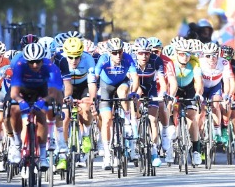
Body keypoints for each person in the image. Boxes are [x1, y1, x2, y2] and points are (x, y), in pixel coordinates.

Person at [88, 37, 138, 170]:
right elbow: (95, 78)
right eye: (114, 52)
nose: (118, 55)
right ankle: (107, 154)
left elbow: (135, 78)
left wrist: (133, 92)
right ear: (109, 52)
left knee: (123, 93)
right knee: (106, 120)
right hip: (106, 87)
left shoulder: (127, 58)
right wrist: (93, 97)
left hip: (122, 84)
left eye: (120, 52)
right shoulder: (103, 59)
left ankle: (127, 121)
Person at [8, 43, 53, 170]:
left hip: (41, 90)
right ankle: (17, 144)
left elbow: (53, 92)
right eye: (31, 62)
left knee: (41, 113)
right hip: (22, 90)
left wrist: (44, 101)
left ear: (42, 60)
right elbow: (14, 93)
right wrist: (20, 101)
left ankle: (43, 157)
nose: (35, 65)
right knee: (14, 109)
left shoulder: (49, 67)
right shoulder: (19, 66)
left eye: (38, 62)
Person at [56, 36, 96, 172]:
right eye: (70, 57)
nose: (74, 61)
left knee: (85, 110)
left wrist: (92, 99)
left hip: (83, 87)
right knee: (65, 117)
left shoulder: (88, 59)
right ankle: (63, 150)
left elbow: (91, 84)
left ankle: (86, 135)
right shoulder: (60, 59)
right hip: (65, 88)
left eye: (77, 57)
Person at [131, 37, 166, 168]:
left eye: (147, 53)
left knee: (153, 119)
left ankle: (154, 151)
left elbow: (162, 81)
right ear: (136, 52)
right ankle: (135, 125)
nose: (144, 56)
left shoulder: (156, 60)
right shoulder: (131, 60)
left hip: (151, 88)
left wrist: (163, 93)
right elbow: (132, 81)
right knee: (137, 93)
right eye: (141, 53)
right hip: (136, 86)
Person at [172, 38, 203, 166]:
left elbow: (198, 81)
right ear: (176, 53)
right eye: (181, 54)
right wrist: (171, 96)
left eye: (188, 54)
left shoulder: (194, 62)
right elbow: (170, 81)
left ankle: (196, 150)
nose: (185, 57)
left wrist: (198, 94)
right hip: (175, 89)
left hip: (189, 88)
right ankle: (172, 137)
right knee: (171, 109)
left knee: (192, 115)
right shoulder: (171, 62)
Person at [198, 42, 233, 146]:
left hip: (215, 86)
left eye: (214, 55)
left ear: (218, 54)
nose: (211, 58)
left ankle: (217, 132)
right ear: (204, 55)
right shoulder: (200, 62)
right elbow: (198, 81)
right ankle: (200, 135)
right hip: (202, 87)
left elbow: (226, 81)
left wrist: (226, 94)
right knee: (201, 112)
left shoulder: (224, 63)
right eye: (208, 56)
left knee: (216, 105)